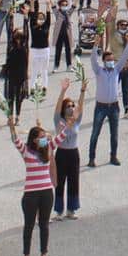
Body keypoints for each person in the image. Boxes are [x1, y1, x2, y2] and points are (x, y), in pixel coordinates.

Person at [9, 116, 57, 256]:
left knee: (44, 224)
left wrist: (65, 127)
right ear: (34, 139)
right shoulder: (26, 151)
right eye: (41, 137)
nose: (44, 139)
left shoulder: (47, 149)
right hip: (31, 193)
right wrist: (11, 127)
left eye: (45, 137)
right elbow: (15, 140)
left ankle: (44, 255)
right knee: (29, 225)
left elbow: (60, 137)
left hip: (46, 191)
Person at [87, 40, 124, 167]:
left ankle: (113, 156)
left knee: (114, 134)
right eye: (108, 59)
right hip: (101, 106)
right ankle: (91, 158)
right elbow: (93, 59)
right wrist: (96, 45)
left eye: (112, 59)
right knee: (95, 133)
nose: (111, 61)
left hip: (114, 106)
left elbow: (124, 57)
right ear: (104, 61)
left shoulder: (116, 70)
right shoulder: (99, 71)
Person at [51, 81, 84, 220]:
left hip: (73, 153)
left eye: (72, 106)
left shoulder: (76, 121)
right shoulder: (58, 120)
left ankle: (71, 209)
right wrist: (63, 91)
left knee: (74, 181)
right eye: (68, 106)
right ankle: (59, 211)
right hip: (62, 153)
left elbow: (80, 107)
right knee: (60, 181)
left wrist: (82, 91)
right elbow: (58, 108)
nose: (71, 108)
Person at [1, 25, 30, 121]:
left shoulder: (25, 47)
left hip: (21, 75)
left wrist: (26, 18)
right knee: (10, 96)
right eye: (16, 37)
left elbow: (27, 34)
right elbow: (9, 31)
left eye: (20, 37)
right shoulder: (10, 47)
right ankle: (10, 116)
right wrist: (11, 16)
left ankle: (17, 115)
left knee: (19, 96)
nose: (18, 40)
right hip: (11, 74)